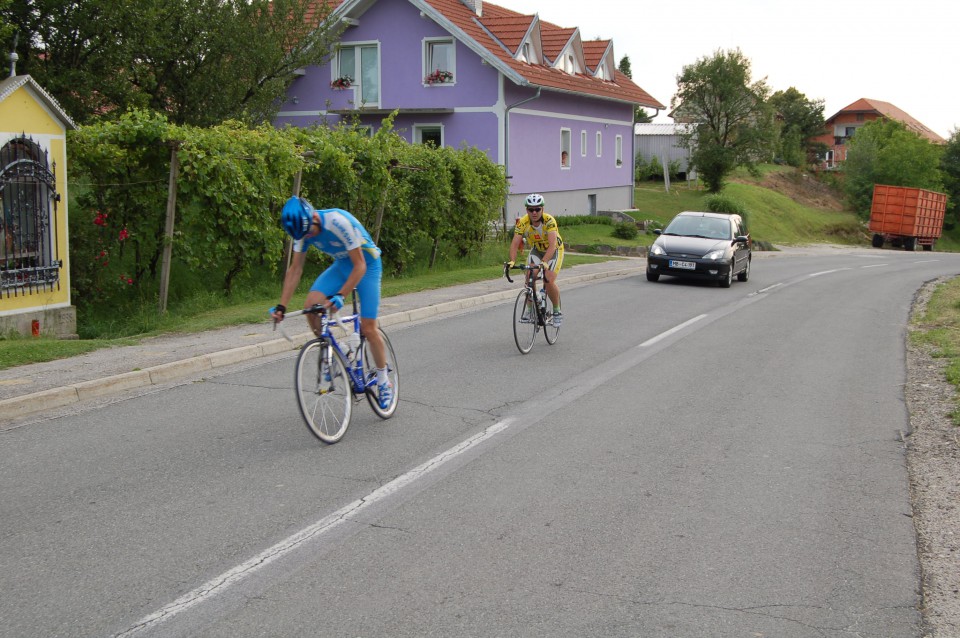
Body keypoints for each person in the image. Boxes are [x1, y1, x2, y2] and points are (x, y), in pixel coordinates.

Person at [271, 196, 392, 408]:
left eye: (309, 232)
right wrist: (282, 306)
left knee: (369, 327)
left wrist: (341, 296)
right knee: (311, 308)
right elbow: (295, 269)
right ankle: (339, 349)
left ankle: (384, 381)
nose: (308, 237)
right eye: (303, 236)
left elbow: (360, 265)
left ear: (313, 218)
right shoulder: (302, 230)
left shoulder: (338, 222)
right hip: (342, 265)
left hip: (367, 265)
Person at [506, 193, 564, 327]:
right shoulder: (523, 222)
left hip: (554, 250)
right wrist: (512, 261)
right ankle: (529, 309)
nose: (534, 212)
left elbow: (552, 245)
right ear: (527, 210)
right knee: (529, 277)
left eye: (537, 209)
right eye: (531, 209)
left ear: (542, 209)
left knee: (548, 279)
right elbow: (515, 243)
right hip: (537, 249)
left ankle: (556, 311)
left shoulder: (549, 221)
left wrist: (544, 262)